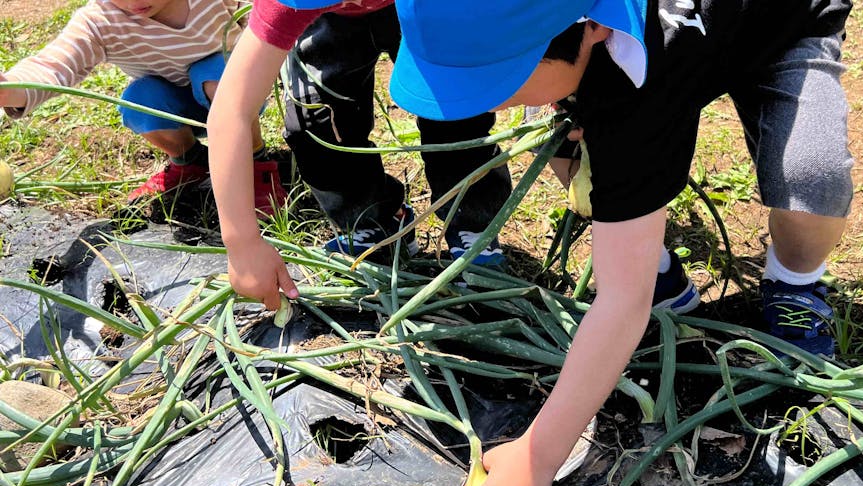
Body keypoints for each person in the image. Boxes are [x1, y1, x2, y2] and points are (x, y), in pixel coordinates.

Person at [389, 0, 855, 486]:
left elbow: (620, 302)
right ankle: (654, 265)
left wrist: (537, 459)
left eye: (503, 81)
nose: (490, 104)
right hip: (656, 55)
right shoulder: (601, 55)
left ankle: (795, 284)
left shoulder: (636, 81)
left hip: (783, 26)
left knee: (813, 181)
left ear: (587, 28)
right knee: (580, 147)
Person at [207, 0, 512, 311]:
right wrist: (242, 245)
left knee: (456, 105)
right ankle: (371, 220)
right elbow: (231, 109)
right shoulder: (288, 4)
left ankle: (473, 223)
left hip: (425, 7)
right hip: (328, 17)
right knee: (316, 118)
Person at [0, 0, 287, 213]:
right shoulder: (101, 22)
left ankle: (256, 161)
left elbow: (265, 20)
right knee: (138, 100)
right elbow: (56, 66)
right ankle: (190, 160)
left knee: (213, 74)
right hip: (174, 105)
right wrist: (9, 90)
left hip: (235, 91)